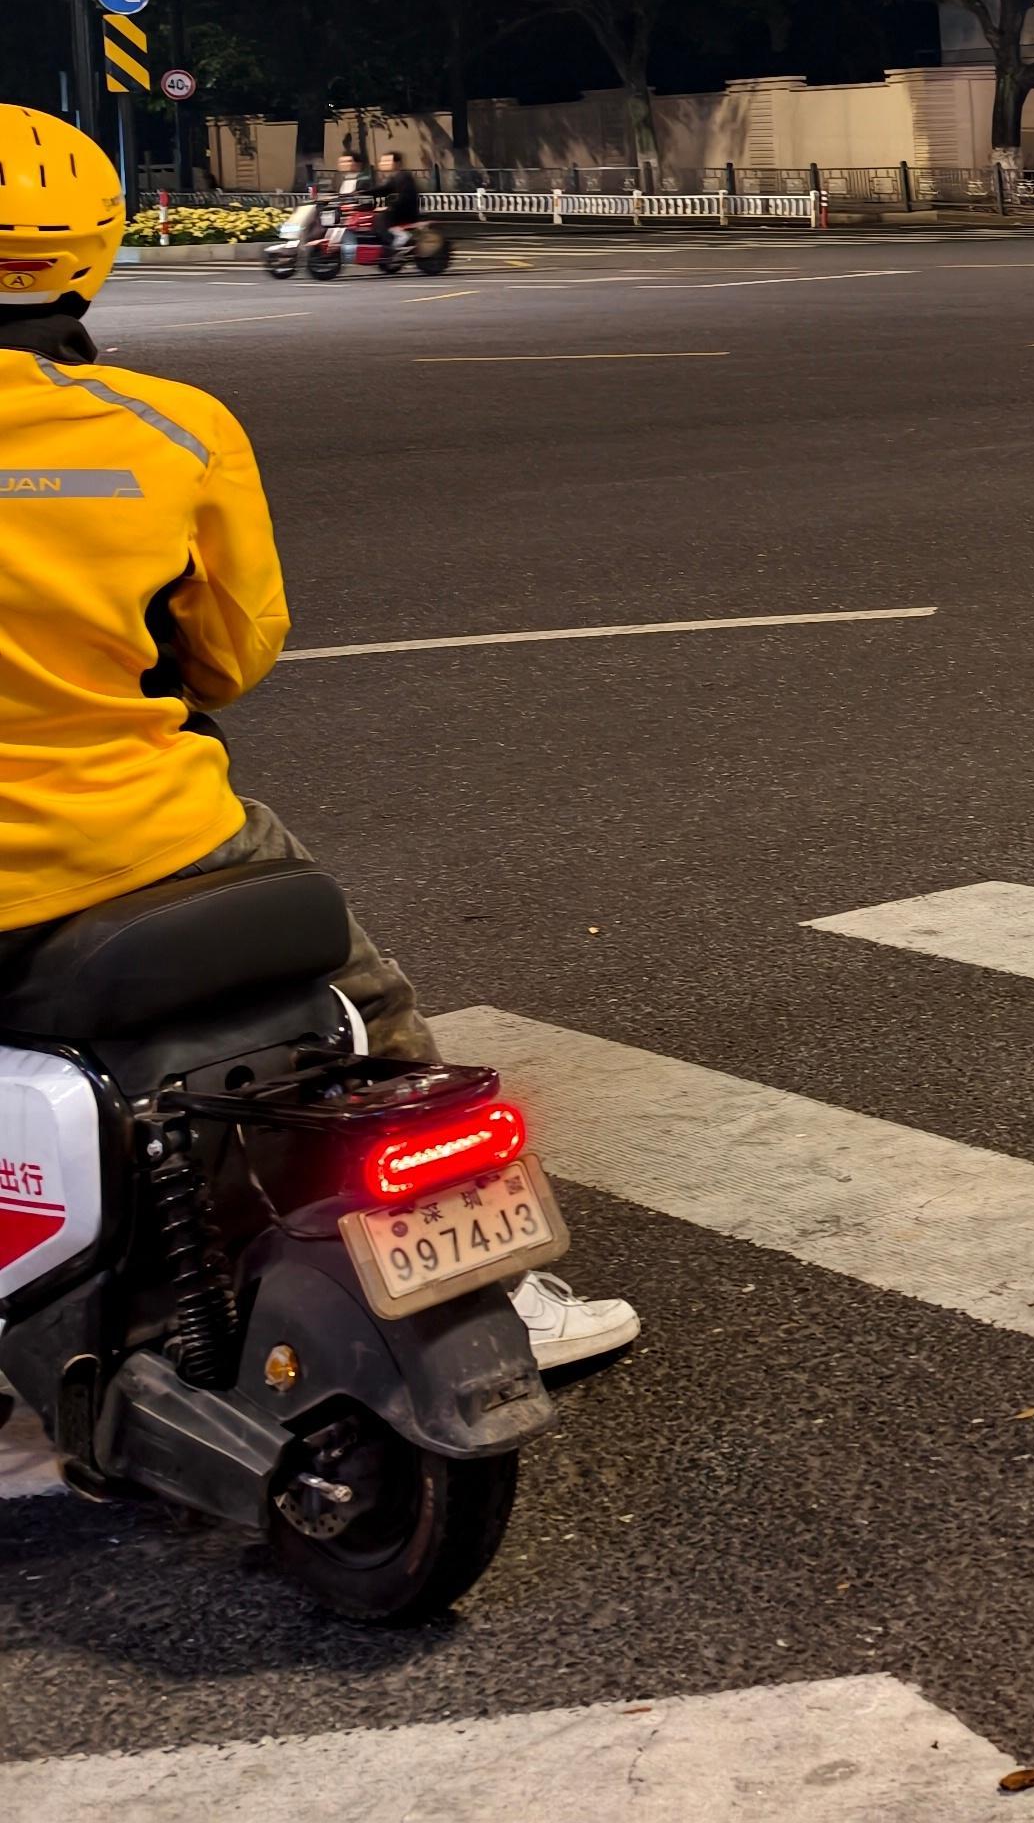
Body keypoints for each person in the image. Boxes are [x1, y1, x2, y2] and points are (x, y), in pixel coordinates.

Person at [0, 114, 635, 1370]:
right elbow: (233, 657)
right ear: (92, 250)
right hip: (152, 839)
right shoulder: (172, 431)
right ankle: (479, 1276)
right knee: (367, 1011)